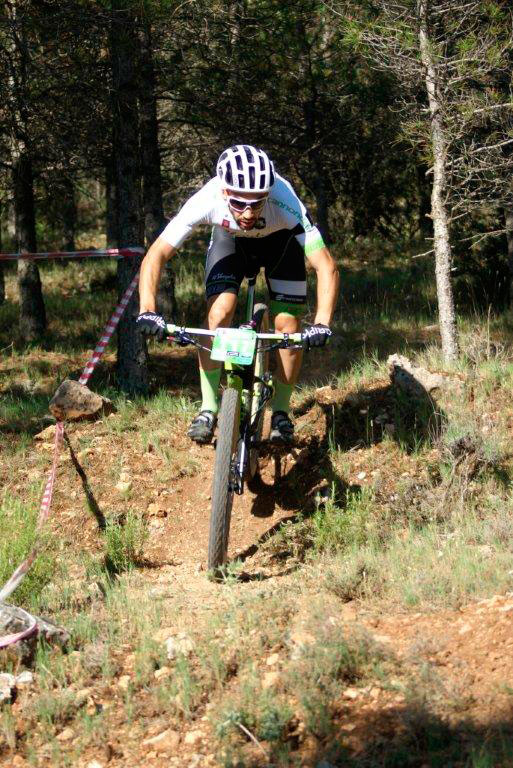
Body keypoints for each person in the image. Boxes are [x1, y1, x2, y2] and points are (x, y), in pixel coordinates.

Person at [137, 144, 339, 445]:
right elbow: (156, 255)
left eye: (257, 203)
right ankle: (208, 408)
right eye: (239, 203)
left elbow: (326, 266)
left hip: (280, 245)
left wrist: (322, 321)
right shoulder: (206, 199)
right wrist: (147, 309)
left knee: (288, 326)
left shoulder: (285, 201)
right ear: (224, 192)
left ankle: (281, 411)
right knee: (219, 313)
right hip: (231, 243)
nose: (247, 213)